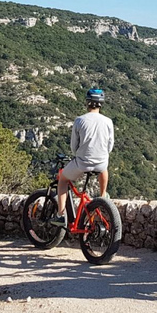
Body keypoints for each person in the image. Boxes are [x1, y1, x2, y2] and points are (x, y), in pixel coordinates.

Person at [50, 88, 114, 227]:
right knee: (104, 167)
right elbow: (110, 146)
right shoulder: (108, 121)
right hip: (101, 162)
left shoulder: (80, 120)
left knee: (63, 179)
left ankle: (61, 215)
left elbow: (74, 146)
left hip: (82, 162)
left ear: (87, 102)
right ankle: (103, 196)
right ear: (101, 104)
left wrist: (78, 154)